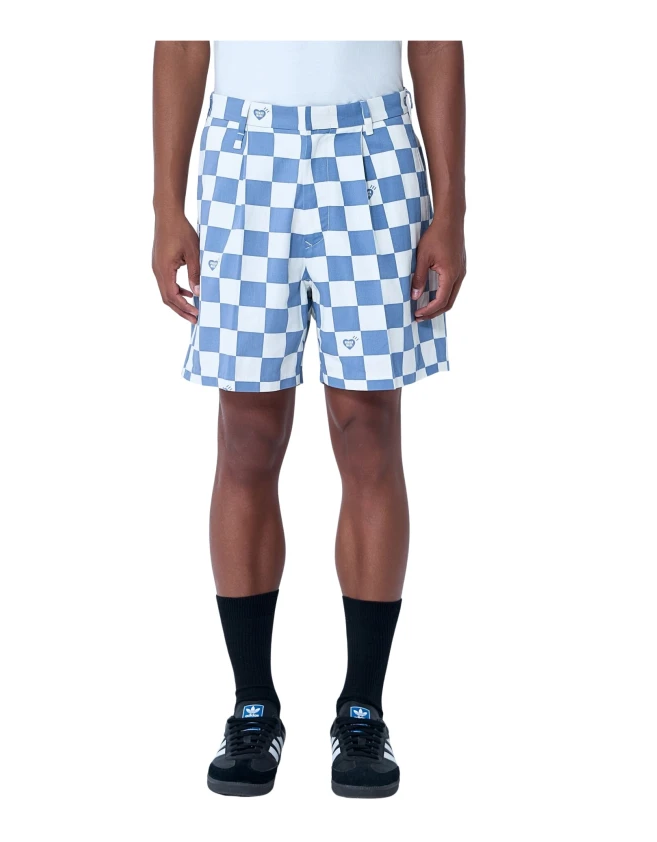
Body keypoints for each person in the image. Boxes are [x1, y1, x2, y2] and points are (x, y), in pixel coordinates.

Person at [152, 40, 466, 798]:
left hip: (372, 154)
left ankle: (362, 710)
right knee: (246, 436)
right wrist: (166, 206)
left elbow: (435, 37)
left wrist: (451, 210)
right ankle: (252, 707)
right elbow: (182, 37)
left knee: (367, 430)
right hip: (244, 158)